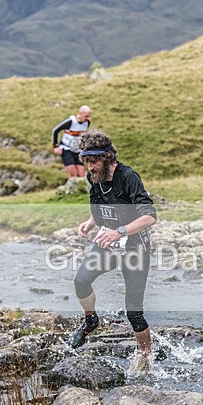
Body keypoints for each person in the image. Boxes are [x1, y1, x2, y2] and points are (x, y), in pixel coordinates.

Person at [67, 129, 157, 364]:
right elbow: (100, 209)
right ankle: (90, 320)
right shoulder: (93, 177)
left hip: (135, 248)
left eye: (94, 161)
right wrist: (89, 223)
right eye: (86, 162)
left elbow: (150, 217)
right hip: (108, 244)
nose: (91, 167)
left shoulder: (128, 177)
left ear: (108, 158)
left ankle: (145, 360)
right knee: (81, 281)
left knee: (134, 313)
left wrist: (121, 231)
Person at [52, 105, 92, 178]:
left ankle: (80, 189)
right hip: (67, 149)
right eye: (86, 116)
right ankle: (68, 189)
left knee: (81, 175)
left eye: (89, 116)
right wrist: (55, 146)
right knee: (73, 175)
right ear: (80, 113)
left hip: (78, 151)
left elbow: (83, 136)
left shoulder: (87, 123)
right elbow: (55, 130)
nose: (88, 118)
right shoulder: (70, 121)